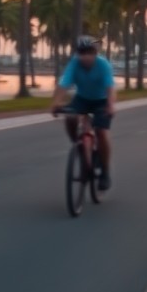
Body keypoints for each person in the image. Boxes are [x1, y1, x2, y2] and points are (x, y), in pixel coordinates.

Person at [50, 35, 117, 191]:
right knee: (70, 117)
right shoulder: (74, 63)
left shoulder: (103, 65)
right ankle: (79, 145)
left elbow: (110, 89)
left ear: (95, 52)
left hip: (101, 100)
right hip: (82, 99)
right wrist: (55, 103)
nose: (85, 56)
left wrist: (111, 105)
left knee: (101, 131)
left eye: (89, 52)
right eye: (82, 52)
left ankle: (105, 172)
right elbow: (63, 85)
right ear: (78, 53)